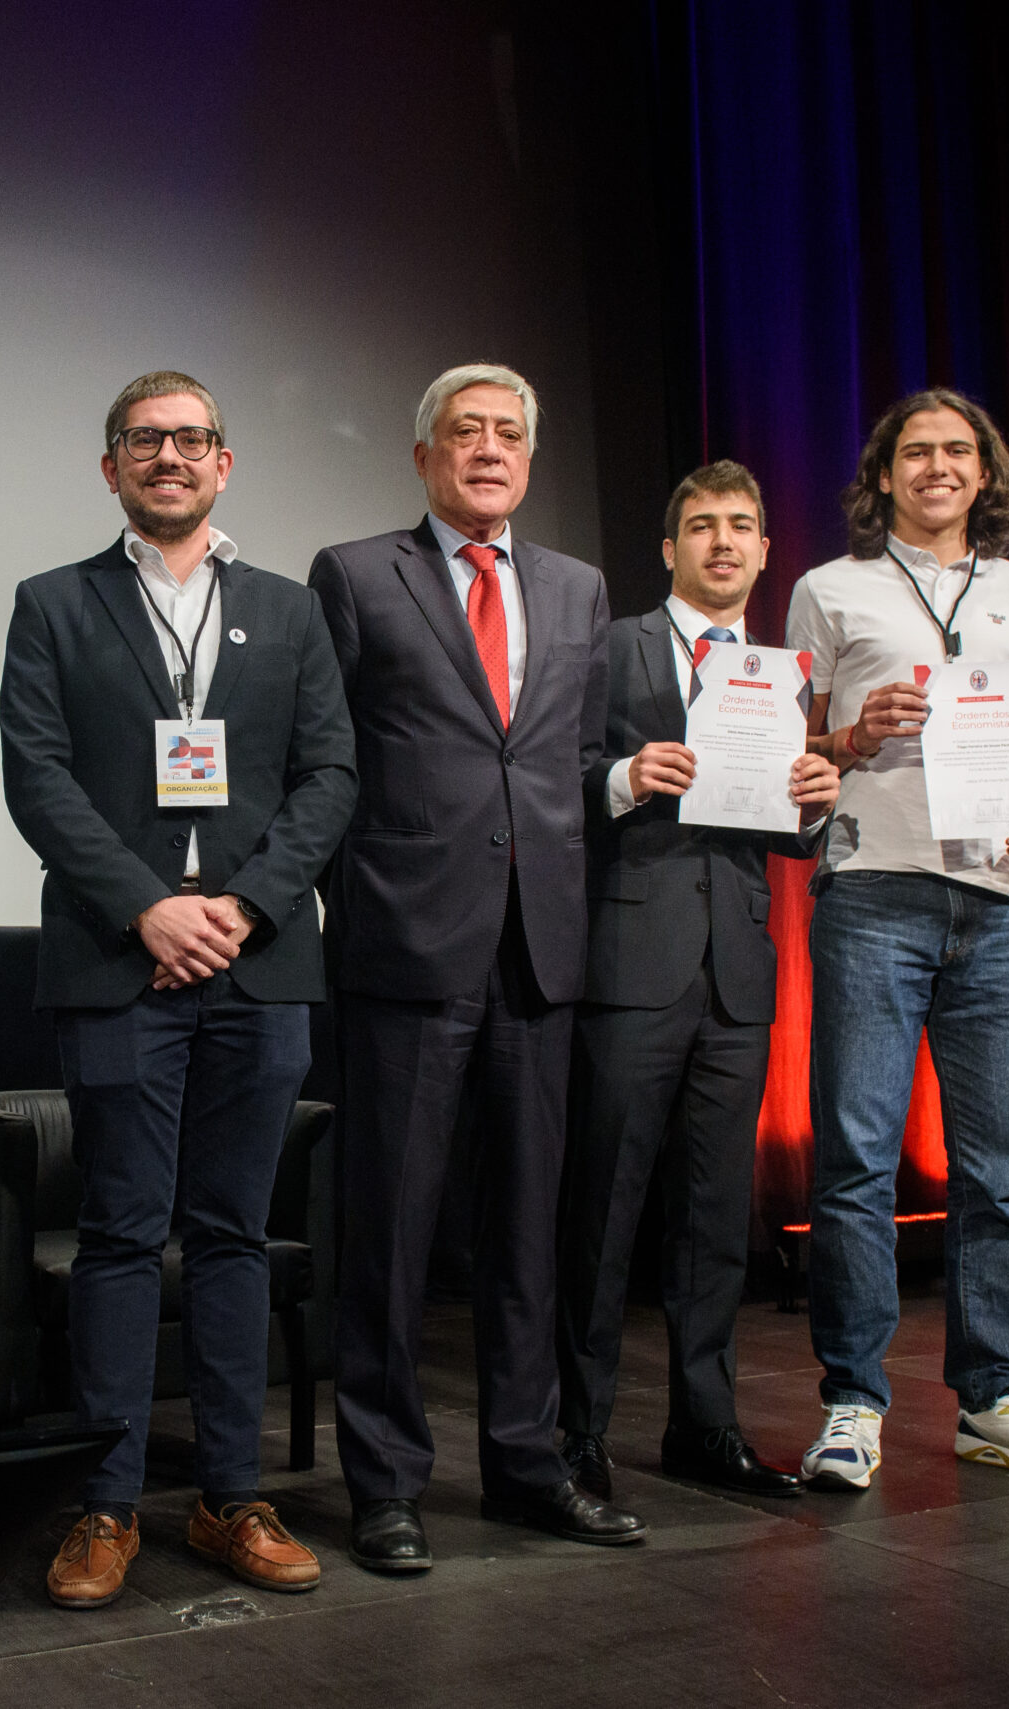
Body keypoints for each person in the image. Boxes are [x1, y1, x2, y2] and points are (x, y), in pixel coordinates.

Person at [0, 371, 356, 1608]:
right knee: (114, 1232)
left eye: (191, 438)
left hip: (259, 965)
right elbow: (36, 777)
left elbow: (329, 776)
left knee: (231, 1234)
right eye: (144, 440)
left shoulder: (287, 610)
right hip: (115, 957)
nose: (169, 456)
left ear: (225, 461)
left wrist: (244, 905)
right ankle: (103, 1506)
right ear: (110, 468)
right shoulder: (53, 603)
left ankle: (227, 1496)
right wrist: (146, 905)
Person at [312, 363, 646, 1572]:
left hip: (540, 942)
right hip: (404, 939)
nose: (490, 449)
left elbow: (576, 753)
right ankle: (386, 1483)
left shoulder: (575, 585)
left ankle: (525, 1462)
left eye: (510, 433)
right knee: (392, 1232)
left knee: (527, 1230)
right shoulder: (354, 574)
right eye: (467, 432)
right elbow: (329, 762)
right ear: (424, 455)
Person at [784, 389, 1009, 1489]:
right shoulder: (828, 588)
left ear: (984, 476)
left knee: (998, 1170)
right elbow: (788, 748)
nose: (935, 466)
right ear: (882, 476)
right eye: (914, 452)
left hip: (1000, 902)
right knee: (855, 1162)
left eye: (956, 452)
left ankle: (995, 1394)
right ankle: (852, 1399)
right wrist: (848, 728)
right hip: (874, 886)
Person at [557, 462, 839, 1502]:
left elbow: (786, 832)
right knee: (602, 1214)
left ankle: (704, 1425)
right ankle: (576, 1434)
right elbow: (554, 774)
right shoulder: (611, 643)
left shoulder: (780, 670)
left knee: (717, 1218)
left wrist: (814, 798)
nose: (723, 541)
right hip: (627, 964)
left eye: (742, 526)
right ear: (667, 548)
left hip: (739, 973)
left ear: (765, 551)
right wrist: (626, 778)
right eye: (701, 526)